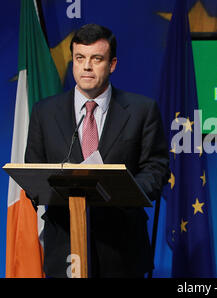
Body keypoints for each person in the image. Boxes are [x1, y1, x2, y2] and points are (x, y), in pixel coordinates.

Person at [25, 24, 170, 277]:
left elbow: (155, 168)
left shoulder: (141, 110)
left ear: (112, 64)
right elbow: (33, 171)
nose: (87, 67)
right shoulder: (44, 112)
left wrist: (125, 192)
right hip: (64, 244)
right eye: (80, 58)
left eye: (97, 59)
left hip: (122, 246)